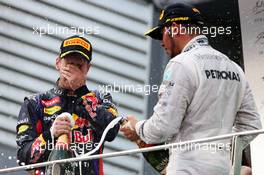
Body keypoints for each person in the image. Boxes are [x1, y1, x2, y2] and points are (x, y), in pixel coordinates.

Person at [121, 3, 262, 175]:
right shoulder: (234, 68)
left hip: (186, 168)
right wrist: (221, 146)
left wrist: (138, 127)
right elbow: (252, 125)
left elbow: (162, 128)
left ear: (174, 29)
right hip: (223, 168)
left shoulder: (181, 63)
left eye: (161, 33)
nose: (161, 43)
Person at [16, 35, 120, 175]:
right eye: (69, 65)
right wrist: (50, 134)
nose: (73, 72)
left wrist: (82, 92)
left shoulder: (101, 98)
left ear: (88, 69)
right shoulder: (35, 103)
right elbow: (23, 158)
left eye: (79, 66)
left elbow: (112, 131)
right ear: (58, 63)